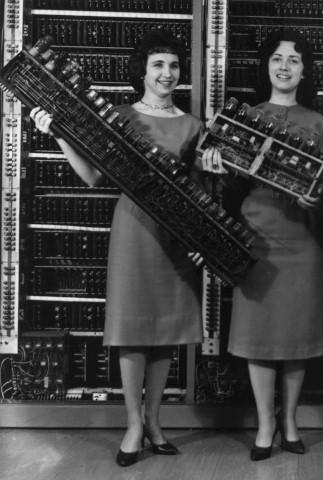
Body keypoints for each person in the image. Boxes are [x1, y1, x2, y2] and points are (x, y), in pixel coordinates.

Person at [30, 29, 204, 467]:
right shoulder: (120, 117)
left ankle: (154, 422)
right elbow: (92, 177)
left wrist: (201, 240)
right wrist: (58, 135)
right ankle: (132, 425)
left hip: (176, 235)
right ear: (142, 71)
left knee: (165, 333)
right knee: (133, 329)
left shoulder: (192, 125)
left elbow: (199, 192)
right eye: (158, 64)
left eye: (174, 65)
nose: (167, 73)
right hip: (133, 230)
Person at [198, 30, 323, 461]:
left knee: (297, 335)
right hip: (256, 234)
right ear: (266, 67)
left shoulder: (317, 122)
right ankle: (265, 424)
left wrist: (318, 196)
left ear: (304, 70)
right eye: (277, 58)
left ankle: (289, 420)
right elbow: (230, 182)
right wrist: (217, 169)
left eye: (293, 60)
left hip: (302, 238)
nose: (284, 66)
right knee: (258, 334)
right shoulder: (247, 117)